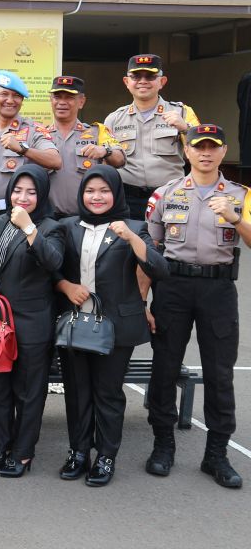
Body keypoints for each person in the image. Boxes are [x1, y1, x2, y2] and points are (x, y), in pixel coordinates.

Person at [144, 124, 249, 489]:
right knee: (165, 366)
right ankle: (163, 445)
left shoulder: (240, 195)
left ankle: (216, 454)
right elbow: (149, 251)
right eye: (198, 147)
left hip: (218, 290)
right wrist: (143, 299)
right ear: (186, 151)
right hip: (172, 286)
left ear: (223, 152)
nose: (205, 153)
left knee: (220, 373)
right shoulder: (165, 194)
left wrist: (236, 218)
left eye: (213, 147)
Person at [55, 165, 168, 486]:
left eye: (104, 190)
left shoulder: (134, 226)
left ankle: (106, 456)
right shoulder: (67, 227)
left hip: (116, 325)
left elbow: (159, 268)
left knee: (107, 393)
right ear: (81, 194)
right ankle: (78, 452)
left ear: (116, 193)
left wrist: (132, 237)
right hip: (75, 322)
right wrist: (65, 287)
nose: (96, 197)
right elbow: (50, 267)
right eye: (90, 191)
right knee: (77, 392)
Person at [0, 166, 65, 477]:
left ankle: (23, 453)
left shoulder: (51, 227)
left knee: (28, 390)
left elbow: (53, 262)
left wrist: (28, 228)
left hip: (33, 321)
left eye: (31, 192)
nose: (22, 198)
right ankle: (1, 446)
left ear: (42, 195)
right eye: (17, 191)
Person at [103, 54, 199, 219]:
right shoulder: (114, 118)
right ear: (127, 82)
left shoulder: (182, 112)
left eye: (150, 76)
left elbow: (202, 151)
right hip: (127, 197)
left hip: (170, 195)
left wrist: (185, 127)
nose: (143, 81)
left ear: (162, 82)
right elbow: (106, 162)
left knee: (171, 242)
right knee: (130, 242)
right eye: (136, 76)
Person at [0, 71, 61, 220]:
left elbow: (55, 161)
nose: (10, 100)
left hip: (16, 214)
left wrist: (23, 149)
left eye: (16, 96)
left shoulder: (33, 131)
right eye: (4, 94)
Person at [46, 75, 125, 218]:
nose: (62, 102)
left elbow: (120, 160)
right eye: (57, 97)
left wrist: (105, 151)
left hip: (86, 218)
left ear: (81, 102)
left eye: (69, 97)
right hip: (48, 218)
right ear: (50, 101)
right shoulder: (40, 135)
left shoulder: (97, 132)